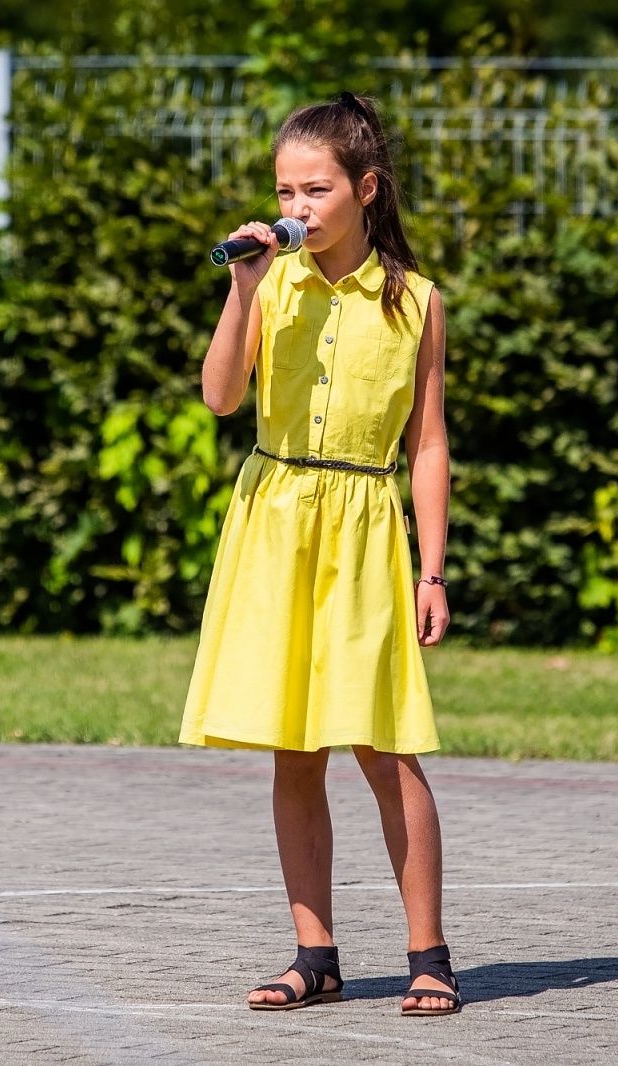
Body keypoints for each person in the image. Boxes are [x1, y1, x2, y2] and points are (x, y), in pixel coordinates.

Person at [178, 91, 459, 1017]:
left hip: (366, 526)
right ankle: (316, 953)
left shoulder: (416, 302)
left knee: (387, 749)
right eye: (283, 190)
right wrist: (242, 288)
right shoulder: (271, 284)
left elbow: (427, 443)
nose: (294, 206)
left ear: (365, 189)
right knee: (293, 750)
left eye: (314, 189)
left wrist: (431, 570)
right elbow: (221, 398)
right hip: (276, 516)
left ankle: (429, 953)